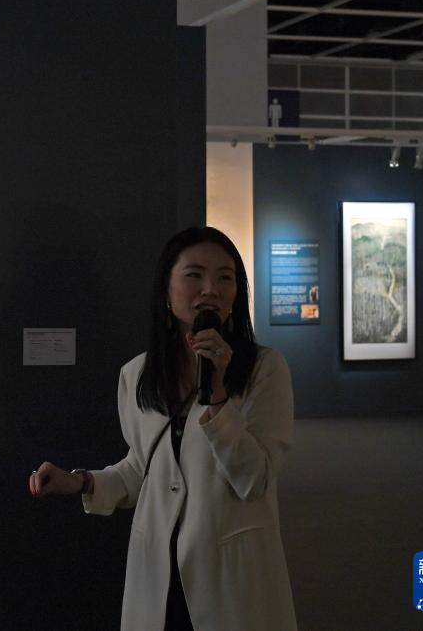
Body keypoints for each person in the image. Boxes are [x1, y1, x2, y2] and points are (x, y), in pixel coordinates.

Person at [29, 226, 297, 631]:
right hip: (158, 573)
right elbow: (142, 470)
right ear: (166, 292)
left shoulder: (264, 370)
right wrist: (80, 481)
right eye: (194, 275)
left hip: (229, 577)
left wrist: (218, 394)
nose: (210, 289)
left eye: (225, 277)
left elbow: (255, 479)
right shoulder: (137, 375)